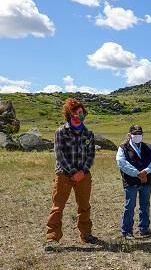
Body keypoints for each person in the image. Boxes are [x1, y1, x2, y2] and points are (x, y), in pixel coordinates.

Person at [46, 98, 97, 250]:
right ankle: (52, 238)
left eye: (81, 112)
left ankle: (86, 234)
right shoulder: (60, 132)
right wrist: (73, 172)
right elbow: (60, 155)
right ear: (68, 114)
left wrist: (83, 171)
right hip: (63, 175)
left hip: (84, 175)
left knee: (84, 206)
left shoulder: (88, 133)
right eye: (75, 112)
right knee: (57, 207)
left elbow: (91, 154)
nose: (78, 115)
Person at [116, 125, 151, 239]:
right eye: (135, 134)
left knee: (145, 205)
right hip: (131, 182)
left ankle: (144, 229)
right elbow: (121, 162)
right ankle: (127, 231)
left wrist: (146, 171)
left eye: (139, 134)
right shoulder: (123, 147)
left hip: (146, 181)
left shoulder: (149, 147)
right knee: (130, 205)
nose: (137, 136)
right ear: (130, 135)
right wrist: (137, 173)